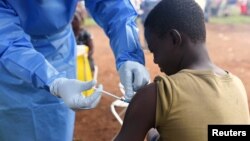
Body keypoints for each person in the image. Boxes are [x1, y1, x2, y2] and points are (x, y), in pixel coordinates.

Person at [0, 0, 149, 141]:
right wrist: (53, 81)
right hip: (11, 68)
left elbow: (112, 4)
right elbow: (7, 42)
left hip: (59, 51)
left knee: (55, 127)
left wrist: (130, 53)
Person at [114, 0, 250, 140]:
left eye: (154, 50)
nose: (155, 60)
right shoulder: (237, 85)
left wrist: (139, 103)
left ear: (174, 39)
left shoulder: (159, 94)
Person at [72, 6, 95, 72]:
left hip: (85, 60)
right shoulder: (69, 35)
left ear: (80, 20)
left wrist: (85, 56)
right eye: (72, 19)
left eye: (75, 19)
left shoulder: (85, 34)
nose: (73, 21)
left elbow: (91, 49)